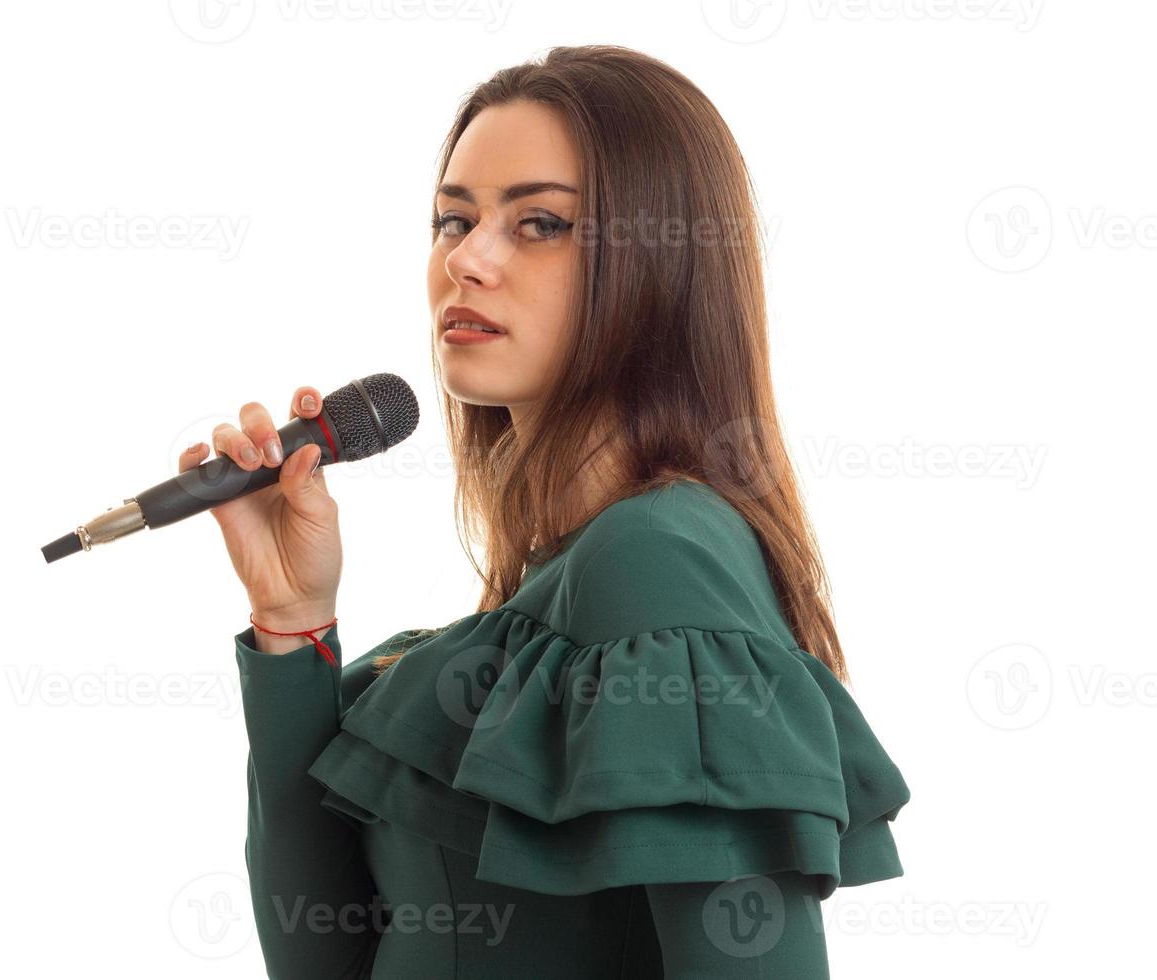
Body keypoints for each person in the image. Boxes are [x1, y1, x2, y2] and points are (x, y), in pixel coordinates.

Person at [178, 45, 911, 980]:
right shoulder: (561, 587)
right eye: (454, 219)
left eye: (540, 223)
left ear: (662, 267)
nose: (467, 260)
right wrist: (291, 626)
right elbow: (325, 958)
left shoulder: (656, 560)